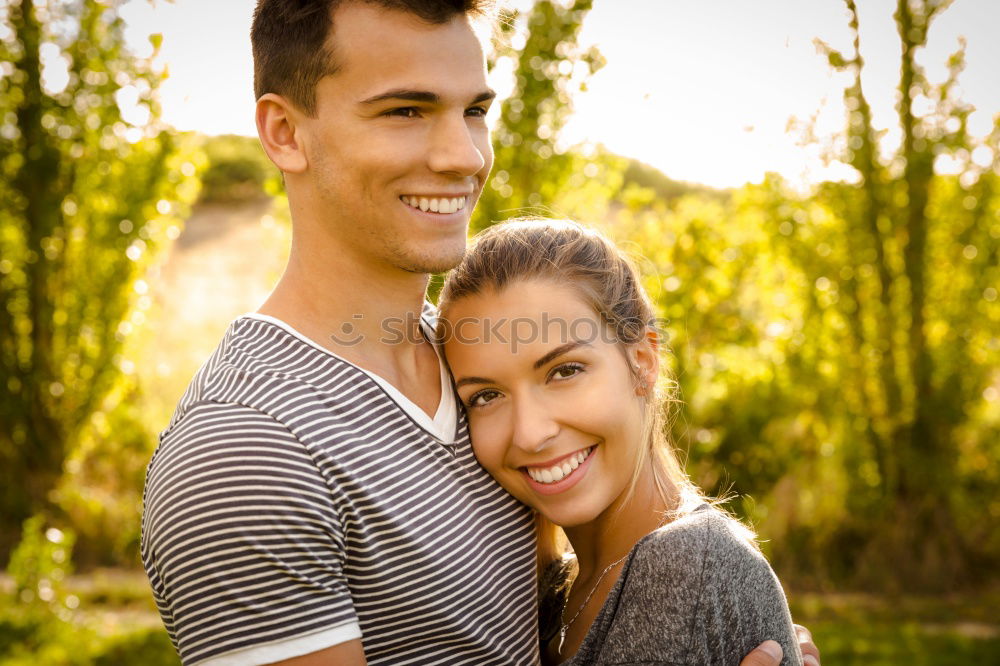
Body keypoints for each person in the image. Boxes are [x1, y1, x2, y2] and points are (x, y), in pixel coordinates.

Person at [140, 1, 821, 664]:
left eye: (474, 111)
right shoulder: (247, 449)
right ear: (285, 132)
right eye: (405, 110)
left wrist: (711, 622)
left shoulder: (472, 361)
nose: (463, 156)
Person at [439, 218, 806, 664]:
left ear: (642, 361)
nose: (530, 434)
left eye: (564, 371)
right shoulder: (558, 587)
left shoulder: (682, 563)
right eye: (487, 396)